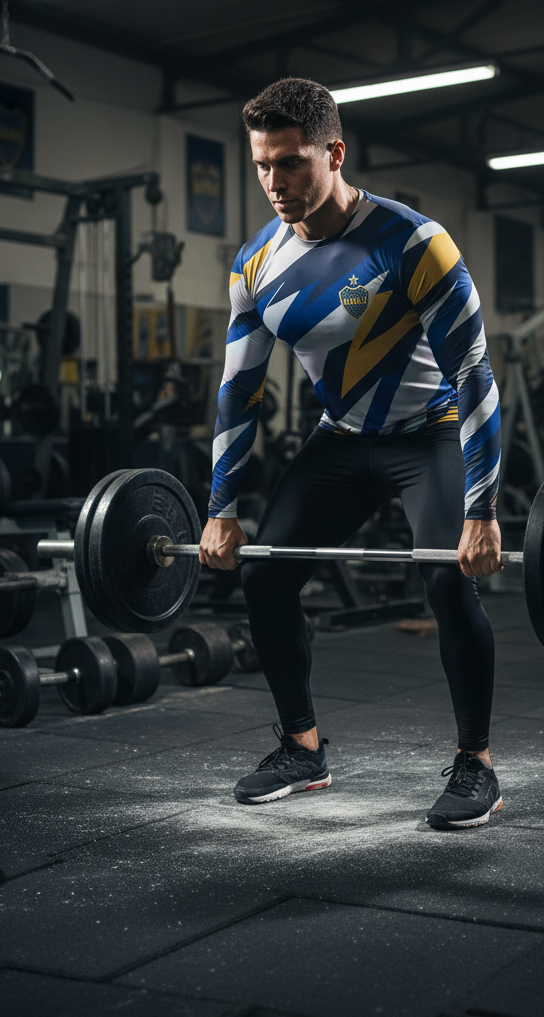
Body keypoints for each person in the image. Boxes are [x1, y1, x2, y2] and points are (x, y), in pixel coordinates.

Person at [199, 77, 503, 830]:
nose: (275, 182)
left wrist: (482, 510)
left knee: (447, 585)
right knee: (265, 580)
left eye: (292, 163)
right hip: (341, 442)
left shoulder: (413, 241)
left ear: (334, 153)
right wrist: (221, 510)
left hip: (428, 436)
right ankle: (303, 750)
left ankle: (477, 765)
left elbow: (472, 375)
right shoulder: (254, 264)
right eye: (263, 165)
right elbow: (240, 393)